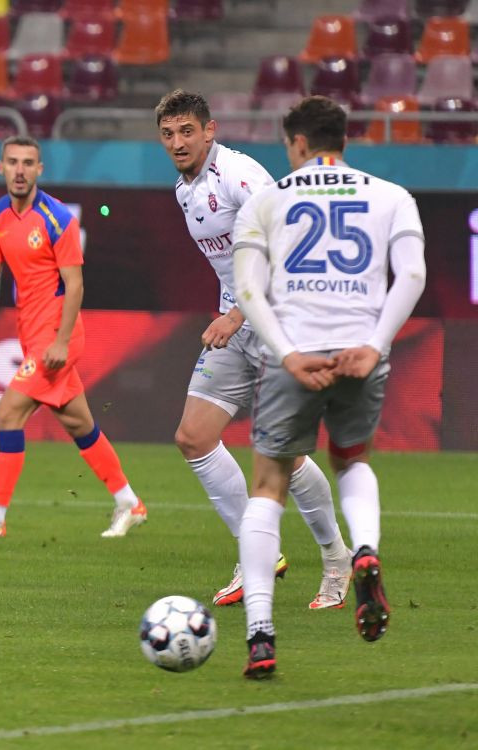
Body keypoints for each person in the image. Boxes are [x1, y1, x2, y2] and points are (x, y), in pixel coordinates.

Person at [232, 95, 426, 677]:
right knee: (351, 457)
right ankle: (364, 549)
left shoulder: (267, 200)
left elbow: (249, 290)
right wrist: (377, 343)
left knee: (268, 484)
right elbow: (412, 273)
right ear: (344, 140)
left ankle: (261, 634)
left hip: (297, 353)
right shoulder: (392, 196)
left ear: (296, 143)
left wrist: (288, 354)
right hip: (361, 353)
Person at [155, 89, 351, 609]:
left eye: (187, 131)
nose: (178, 142)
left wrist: (238, 315)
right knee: (193, 437)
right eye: (168, 134)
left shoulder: (241, 176)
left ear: (210, 130)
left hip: (279, 323)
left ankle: (337, 559)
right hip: (237, 320)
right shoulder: (184, 189)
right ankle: (256, 552)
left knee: (284, 452)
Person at [0, 136, 147, 539]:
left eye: (28, 163)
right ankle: (129, 503)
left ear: (40, 169)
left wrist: (62, 341)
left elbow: (75, 285)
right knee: (79, 424)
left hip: (56, 337)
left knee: (8, 414)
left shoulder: (57, 218)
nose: (20, 170)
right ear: (1, 167)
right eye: (13, 162)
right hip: (31, 332)